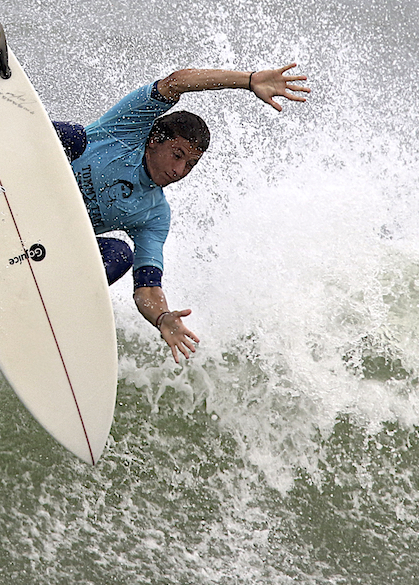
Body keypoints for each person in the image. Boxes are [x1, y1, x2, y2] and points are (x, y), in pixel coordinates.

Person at [52, 65, 310, 364]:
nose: (179, 171)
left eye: (190, 164)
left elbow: (147, 285)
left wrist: (161, 317)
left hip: (51, 237)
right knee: (73, 137)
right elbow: (178, 82)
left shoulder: (154, 215)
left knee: (120, 255)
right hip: (24, 184)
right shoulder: (127, 128)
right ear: (154, 139)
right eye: (177, 155)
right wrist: (249, 81)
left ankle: (46, 302)